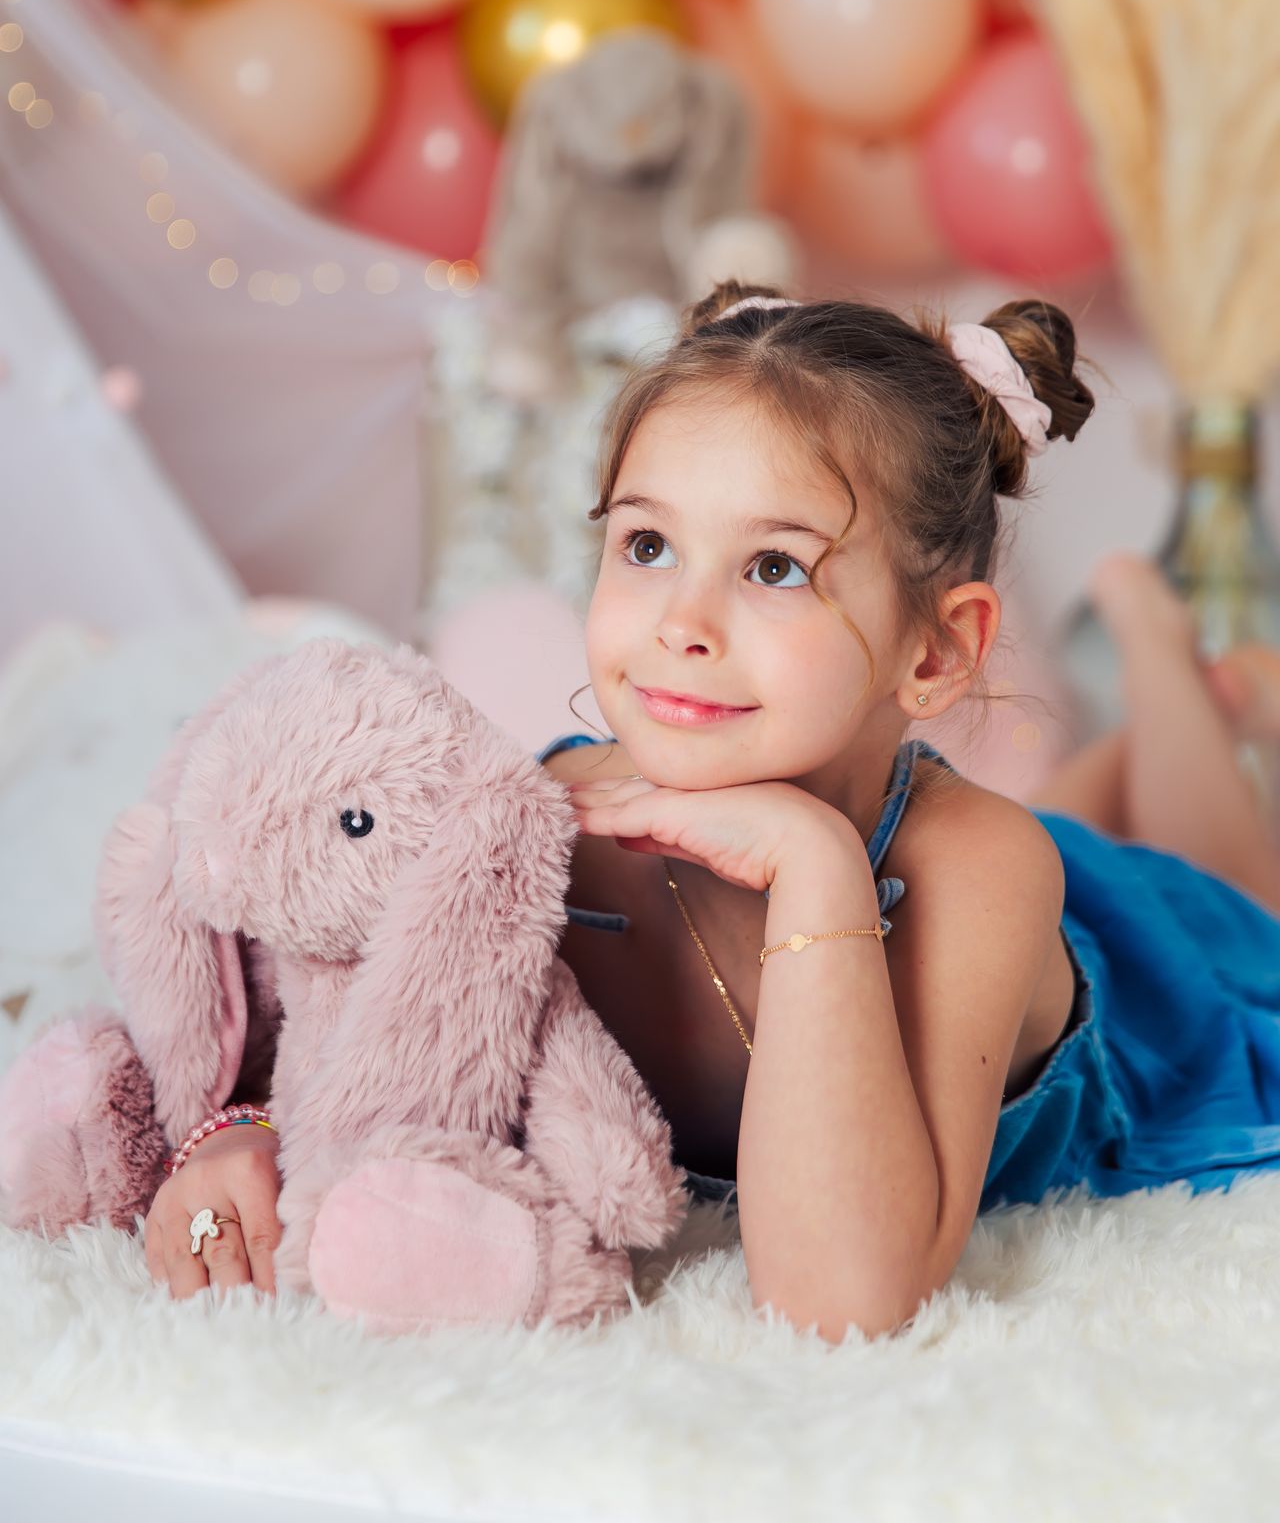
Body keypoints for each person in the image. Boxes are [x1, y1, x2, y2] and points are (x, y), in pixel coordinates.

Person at [144, 280, 1280, 1344]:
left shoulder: (978, 866)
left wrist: (815, 863)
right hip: (1001, 856)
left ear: (934, 651)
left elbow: (843, 1301)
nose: (681, 619)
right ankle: (1154, 711)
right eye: (646, 545)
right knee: (1092, 830)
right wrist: (237, 1140)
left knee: (1215, 887)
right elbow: (325, 1031)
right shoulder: (534, 829)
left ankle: (1155, 649)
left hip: (1145, 984)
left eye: (775, 568)